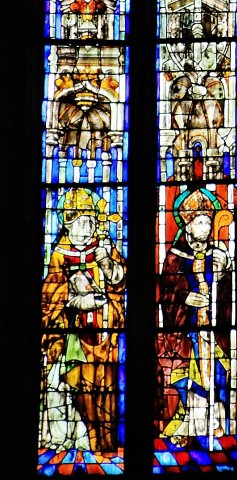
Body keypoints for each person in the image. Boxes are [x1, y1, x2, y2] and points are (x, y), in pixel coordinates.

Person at [40, 187, 126, 453]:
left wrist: (108, 266)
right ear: (68, 223)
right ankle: (82, 440)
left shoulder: (103, 247)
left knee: (107, 387)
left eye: (91, 221)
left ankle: (105, 443)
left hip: (105, 337)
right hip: (73, 340)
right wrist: (76, 300)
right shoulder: (58, 255)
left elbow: (120, 284)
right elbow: (49, 297)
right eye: (82, 222)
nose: (88, 228)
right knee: (77, 387)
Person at [158, 188, 232, 445]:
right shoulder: (175, 258)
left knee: (217, 375)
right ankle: (188, 422)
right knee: (187, 377)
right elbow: (166, 293)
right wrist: (184, 298)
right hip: (186, 333)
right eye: (199, 222)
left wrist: (224, 273)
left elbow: (227, 295)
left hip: (212, 330)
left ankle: (216, 423)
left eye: (208, 222)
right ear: (187, 226)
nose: (205, 227)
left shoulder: (218, 255)